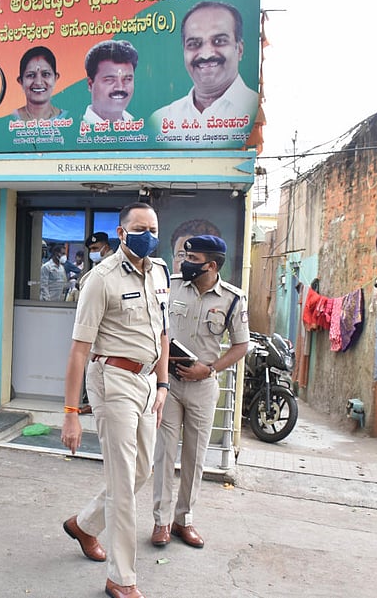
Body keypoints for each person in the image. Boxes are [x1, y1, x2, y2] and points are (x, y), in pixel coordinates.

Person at [60, 202, 170, 598]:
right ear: (122, 233)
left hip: (146, 384)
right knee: (123, 483)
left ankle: (84, 524)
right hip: (113, 379)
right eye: (139, 227)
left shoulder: (159, 272)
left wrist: (162, 386)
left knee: (141, 471)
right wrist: (71, 412)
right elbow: (78, 350)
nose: (148, 234)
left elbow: (163, 333)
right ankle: (121, 578)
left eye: (153, 227)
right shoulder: (100, 279)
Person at [150, 235, 248, 550]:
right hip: (170, 384)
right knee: (165, 453)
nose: (186, 264)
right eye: (185, 257)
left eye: (194, 260)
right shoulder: (172, 286)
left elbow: (241, 345)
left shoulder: (233, 299)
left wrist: (210, 369)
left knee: (194, 457)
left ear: (212, 265)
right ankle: (161, 521)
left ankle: (184, 520)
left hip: (204, 386)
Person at [150, 1, 258, 137]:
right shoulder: (160, 121)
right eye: (194, 44)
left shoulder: (256, 110)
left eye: (219, 41)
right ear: (184, 51)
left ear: (240, 50)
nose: (206, 54)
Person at [82, 40, 138, 124]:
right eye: (110, 80)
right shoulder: (75, 129)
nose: (120, 87)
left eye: (127, 79)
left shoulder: (139, 126)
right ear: (90, 84)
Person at [13, 46, 68, 121]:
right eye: (31, 75)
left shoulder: (67, 118)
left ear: (55, 78)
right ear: (21, 81)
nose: (38, 82)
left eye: (46, 74)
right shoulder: (11, 119)